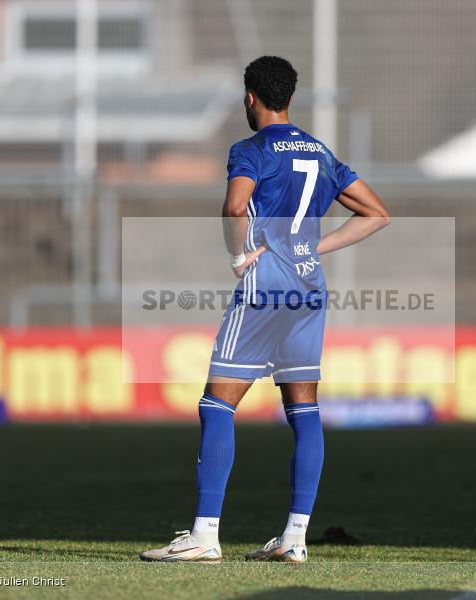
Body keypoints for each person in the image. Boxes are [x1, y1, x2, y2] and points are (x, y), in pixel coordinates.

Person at [140, 56, 390, 563]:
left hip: (264, 288)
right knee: (303, 410)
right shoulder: (319, 152)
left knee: (217, 405)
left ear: (250, 97)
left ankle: (205, 536)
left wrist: (238, 254)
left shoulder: (251, 149)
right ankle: (295, 539)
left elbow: (236, 206)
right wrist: (312, 249)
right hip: (309, 290)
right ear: (291, 99)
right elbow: (376, 214)